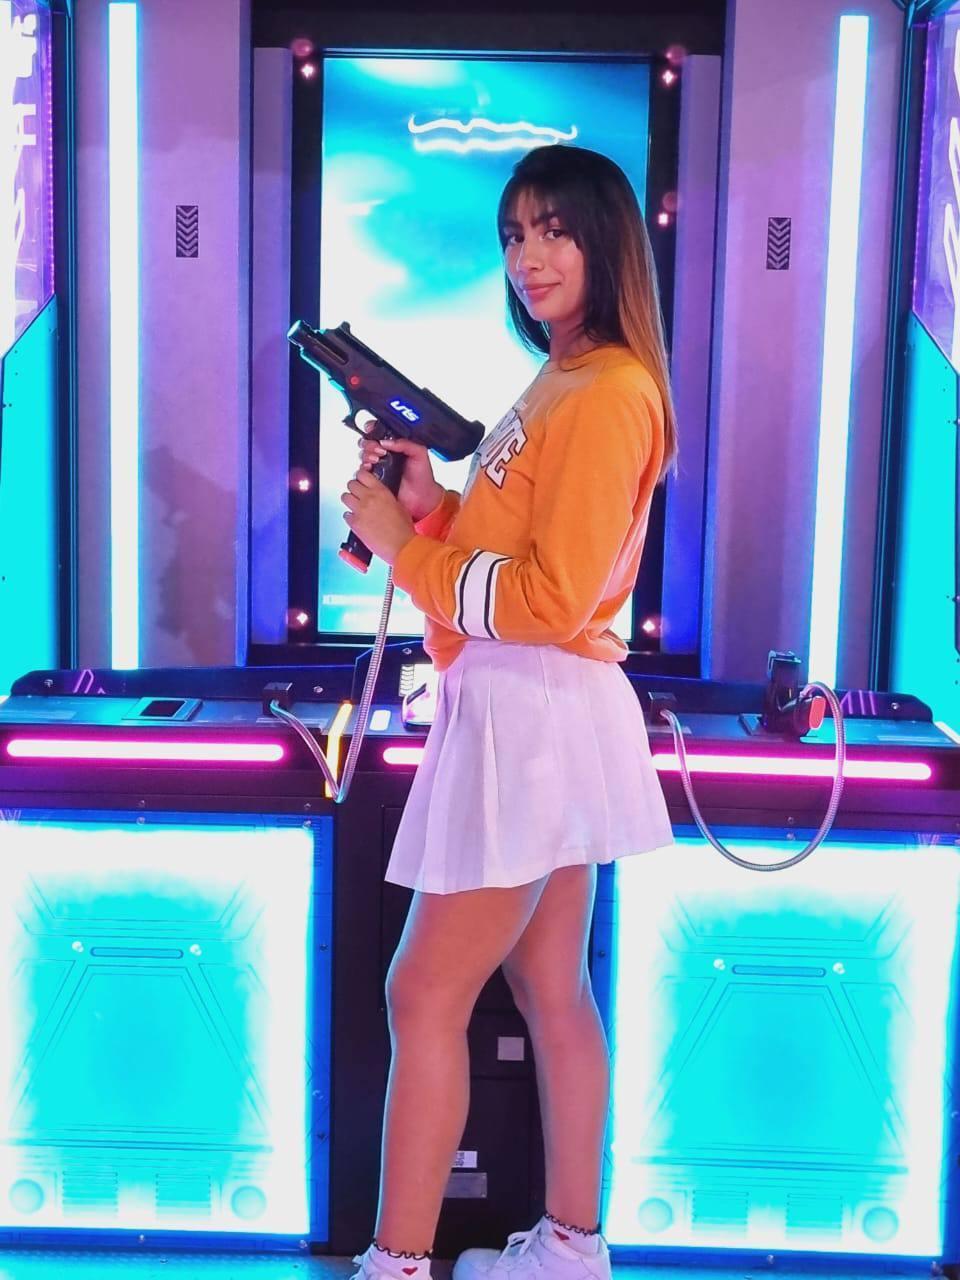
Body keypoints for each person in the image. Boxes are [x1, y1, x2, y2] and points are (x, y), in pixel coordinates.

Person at [340, 143, 678, 1280]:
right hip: (532, 707)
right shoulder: (566, 377)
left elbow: (547, 598)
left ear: (606, 241)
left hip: (531, 713)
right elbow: (506, 558)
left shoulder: (610, 391)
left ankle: (397, 1264)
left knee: (423, 990)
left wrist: (403, 547)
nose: (530, 257)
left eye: (555, 231)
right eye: (514, 236)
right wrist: (431, 510)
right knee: (547, 984)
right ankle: (570, 1250)